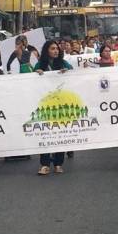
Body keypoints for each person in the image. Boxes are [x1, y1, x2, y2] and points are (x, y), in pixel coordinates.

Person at [33, 41, 73, 176]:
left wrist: (67, 73)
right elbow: (30, 81)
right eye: (52, 48)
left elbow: (74, 75)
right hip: (45, 105)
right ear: (46, 50)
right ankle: (44, 164)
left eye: (57, 49)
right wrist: (36, 74)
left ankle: (58, 163)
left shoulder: (63, 63)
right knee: (46, 133)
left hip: (61, 104)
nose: (55, 51)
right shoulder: (40, 64)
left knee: (60, 133)